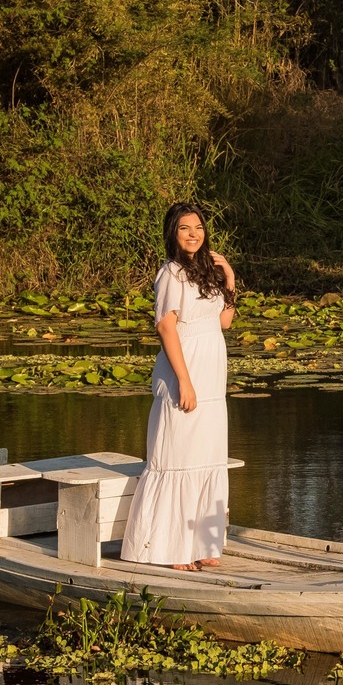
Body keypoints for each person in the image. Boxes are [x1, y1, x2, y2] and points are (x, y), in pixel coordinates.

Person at [120, 201, 235, 570]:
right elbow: (166, 327)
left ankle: (204, 544)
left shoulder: (208, 272)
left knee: (206, 455)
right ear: (173, 233)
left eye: (198, 227)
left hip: (213, 371)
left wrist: (229, 276)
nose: (193, 234)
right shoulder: (170, 273)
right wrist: (184, 382)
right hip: (184, 369)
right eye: (185, 228)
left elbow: (226, 322)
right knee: (177, 456)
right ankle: (167, 549)